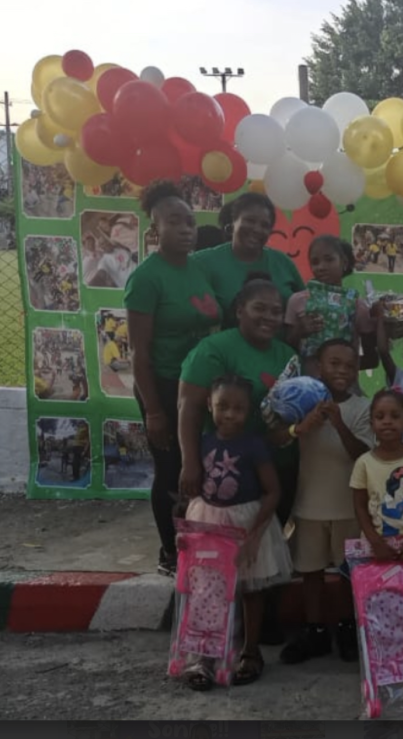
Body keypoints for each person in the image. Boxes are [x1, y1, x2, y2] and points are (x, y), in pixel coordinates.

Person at [178, 274, 300, 646]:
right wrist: (190, 462)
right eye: (260, 308)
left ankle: (256, 633)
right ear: (239, 310)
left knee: (262, 554)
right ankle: (217, 633)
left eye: (277, 311)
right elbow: (189, 406)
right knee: (219, 559)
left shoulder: (286, 354)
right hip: (224, 475)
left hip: (274, 466)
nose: (270, 317)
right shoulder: (214, 349)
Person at [125, 180, 221, 577]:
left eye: (190, 222)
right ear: (155, 229)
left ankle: (200, 543)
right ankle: (170, 551)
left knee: (200, 466)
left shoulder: (199, 268)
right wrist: (154, 411)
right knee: (171, 470)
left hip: (202, 387)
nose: (185, 229)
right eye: (174, 222)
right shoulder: (146, 278)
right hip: (164, 387)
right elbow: (138, 353)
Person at [182, 374, 293, 689]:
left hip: (247, 523)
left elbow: (273, 491)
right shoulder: (203, 441)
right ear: (209, 405)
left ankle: (250, 652)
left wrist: (255, 535)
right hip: (210, 521)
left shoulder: (254, 445)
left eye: (239, 408)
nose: (230, 414)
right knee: (208, 589)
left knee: (251, 589)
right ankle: (205, 655)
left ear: (249, 411)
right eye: (223, 406)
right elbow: (194, 490)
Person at [280, 340, 374, 665]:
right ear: (318, 367)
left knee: (349, 572)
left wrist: (338, 423)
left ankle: (348, 628)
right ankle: (315, 630)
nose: (342, 371)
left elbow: (363, 454)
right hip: (309, 505)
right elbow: (276, 436)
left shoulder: (363, 406)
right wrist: (300, 427)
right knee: (310, 571)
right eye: (334, 363)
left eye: (349, 366)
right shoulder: (300, 402)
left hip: (348, 507)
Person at [350, 389, 403, 566]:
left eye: (395, 416)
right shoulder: (364, 462)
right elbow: (359, 506)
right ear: (372, 424)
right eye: (380, 417)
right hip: (375, 546)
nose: (387, 421)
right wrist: (375, 541)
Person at [192, 193, 304, 326]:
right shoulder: (203, 262)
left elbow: (306, 305)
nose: (257, 229)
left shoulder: (283, 263)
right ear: (233, 221)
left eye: (265, 225)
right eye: (250, 221)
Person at [284, 235, 378, 376]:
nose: (321, 267)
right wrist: (299, 331)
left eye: (329, 259)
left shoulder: (357, 306)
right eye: (315, 262)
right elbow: (284, 350)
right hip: (305, 385)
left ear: (344, 262)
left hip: (344, 387)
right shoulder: (298, 301)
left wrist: (342, 368)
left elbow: (372, 360)